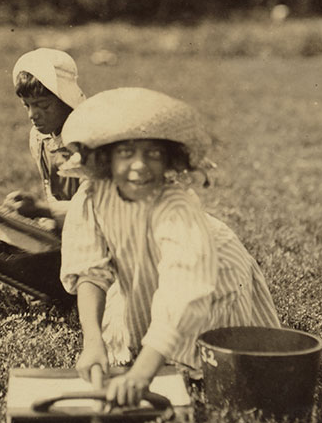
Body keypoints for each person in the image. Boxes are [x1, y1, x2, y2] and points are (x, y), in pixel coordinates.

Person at [59, 87, 281, 406]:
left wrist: (142, 373)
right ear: (106, 157)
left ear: (168, 159)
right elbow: (90, 271)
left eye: (152, 154)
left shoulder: (176, 206)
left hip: (210, 272)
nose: (139, 166)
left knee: (207, 367)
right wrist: (92, 340)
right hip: (144, 268)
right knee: (133, 335)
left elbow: (184, 291)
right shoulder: (93, 196)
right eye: (126, 153)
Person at [2, 48, 86, 229]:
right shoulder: (40, 138)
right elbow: (51, 192)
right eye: (27, 106)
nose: (33, 115)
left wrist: (42, 210)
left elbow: (95, 208)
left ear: (65, 99)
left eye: (43, 106)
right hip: (66, 222)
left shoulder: (88, 139)